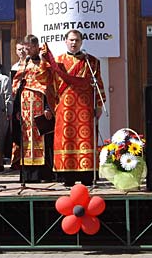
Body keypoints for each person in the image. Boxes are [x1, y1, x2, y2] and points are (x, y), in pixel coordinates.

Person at [43, 29, 106, 187]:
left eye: (77, 40)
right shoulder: (57, 62)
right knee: (67, 139)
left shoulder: (92, 62)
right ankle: (67, 175)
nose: (73, 43)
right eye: (71, 40)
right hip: (65, 108)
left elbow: (99, 84)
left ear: (81, 42)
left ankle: (87, 175)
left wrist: (99, 104)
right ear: (65, 41)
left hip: (85, 107)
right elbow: (49, 85)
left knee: (85, 139)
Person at [11, 35, 56, 183]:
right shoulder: (24, 64)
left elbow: (50, 87)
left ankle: (43, 175)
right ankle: (28, 175)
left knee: (43, 139)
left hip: (40, 107)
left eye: (30, 47)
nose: (27, 50)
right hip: (25, 109)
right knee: (26, 140)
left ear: (36, 47)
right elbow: (18, 87)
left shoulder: (46, 64)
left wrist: (48, 107)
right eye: (25, 47)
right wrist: (17, 109)